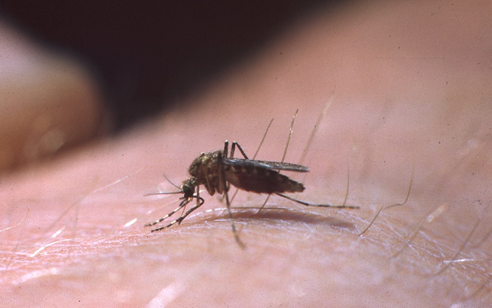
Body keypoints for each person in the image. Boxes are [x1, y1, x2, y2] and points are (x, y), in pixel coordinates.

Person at [2, 1, 491, 306]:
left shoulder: (218, 174)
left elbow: (212, 181)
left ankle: (295, 201)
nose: (193, 195)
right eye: (194, 191)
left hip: (246, 169)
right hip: (240, 167)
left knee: (236, 166)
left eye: (193, 191)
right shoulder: (202, 178)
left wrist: (228, 206)